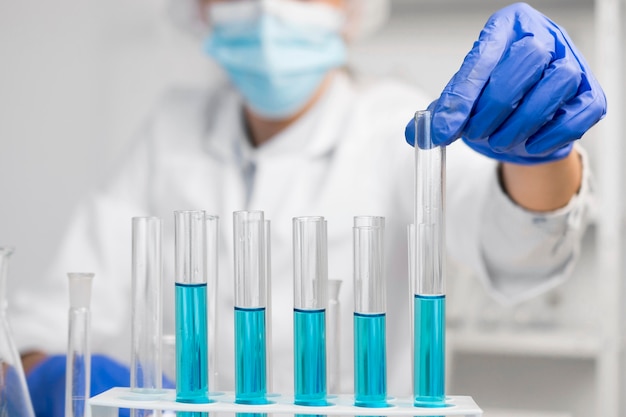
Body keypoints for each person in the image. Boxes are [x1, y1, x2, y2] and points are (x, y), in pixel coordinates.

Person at [13, 0, 605, 416]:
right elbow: (32, 332)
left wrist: (542, 155)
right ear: (201, 7)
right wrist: (54, 376)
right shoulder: (171, 129)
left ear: (347, 8)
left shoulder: (394, 128)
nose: (270, 7)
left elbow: (517, 243)